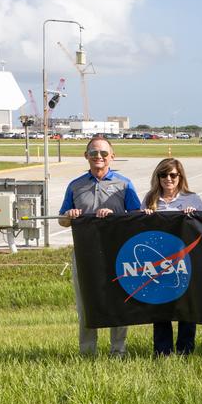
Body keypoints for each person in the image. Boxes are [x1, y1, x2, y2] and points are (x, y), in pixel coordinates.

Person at [59, 135, 142, 357]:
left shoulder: (124, 185)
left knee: (119, 301)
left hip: (118, 253)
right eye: (94, 153)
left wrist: (115, 216)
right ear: (86, 156)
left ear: (112, 157)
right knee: (86, 303)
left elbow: (137, 218)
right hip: (85, 255)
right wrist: (69, 215)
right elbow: (62, 220)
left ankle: (118, 350)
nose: (99, 157)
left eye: (104, 153)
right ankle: (87, 352)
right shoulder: (76, 185)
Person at [142, 157, 202, 355]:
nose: (168, 178)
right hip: (160, 262)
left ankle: (185, 349)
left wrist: (195, 216)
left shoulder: (192, 198)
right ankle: (162, 350)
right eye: (163, 175)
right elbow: (140, 230)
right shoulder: (150, 199)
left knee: (187, 306)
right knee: (161, 306)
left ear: (180, 176)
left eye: (173, 174)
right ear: (157, 177)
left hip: (186, 261)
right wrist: (145, 216)